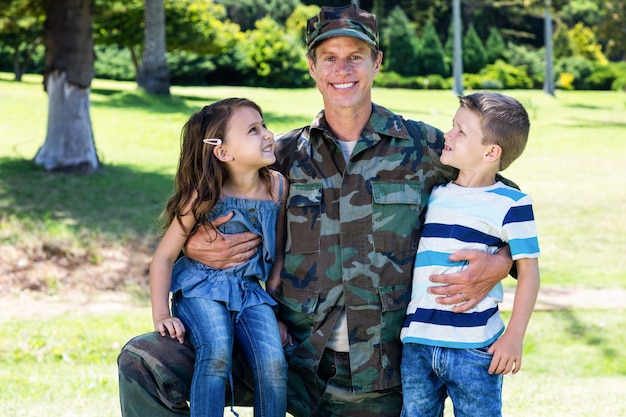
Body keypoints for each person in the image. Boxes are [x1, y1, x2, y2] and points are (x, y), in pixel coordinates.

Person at [118, 5, 515, 417]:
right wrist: (197, 247)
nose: (342, 69)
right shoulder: (279, 158)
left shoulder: (426, 149)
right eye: (329, 57)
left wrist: (500, 262)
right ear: (312, 66)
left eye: (355, 56)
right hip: (290, 363)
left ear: (377, 62)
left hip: (384, 380)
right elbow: (195, 208)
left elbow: (510, 208)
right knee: (144, 361)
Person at [400, 92, 541, 417]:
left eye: (460, 131)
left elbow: (529, 271)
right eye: (452, 126)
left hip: (476, 349)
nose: (447, 135)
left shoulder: (512, 204)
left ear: (491, 152)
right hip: (418, 343)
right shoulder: (434, 193)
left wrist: (514, 336)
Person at [148, 97, 288, 417]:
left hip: (251, 292)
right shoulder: (204, 195)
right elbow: (164, 257)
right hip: (202, 288)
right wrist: (160, 314)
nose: (267, 134)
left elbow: (276, 255)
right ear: (224, 152)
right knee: (216, 353)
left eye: (264, 124)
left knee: (274, 365)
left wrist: (276, 311)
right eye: (253, 130)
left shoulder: (277, 187)